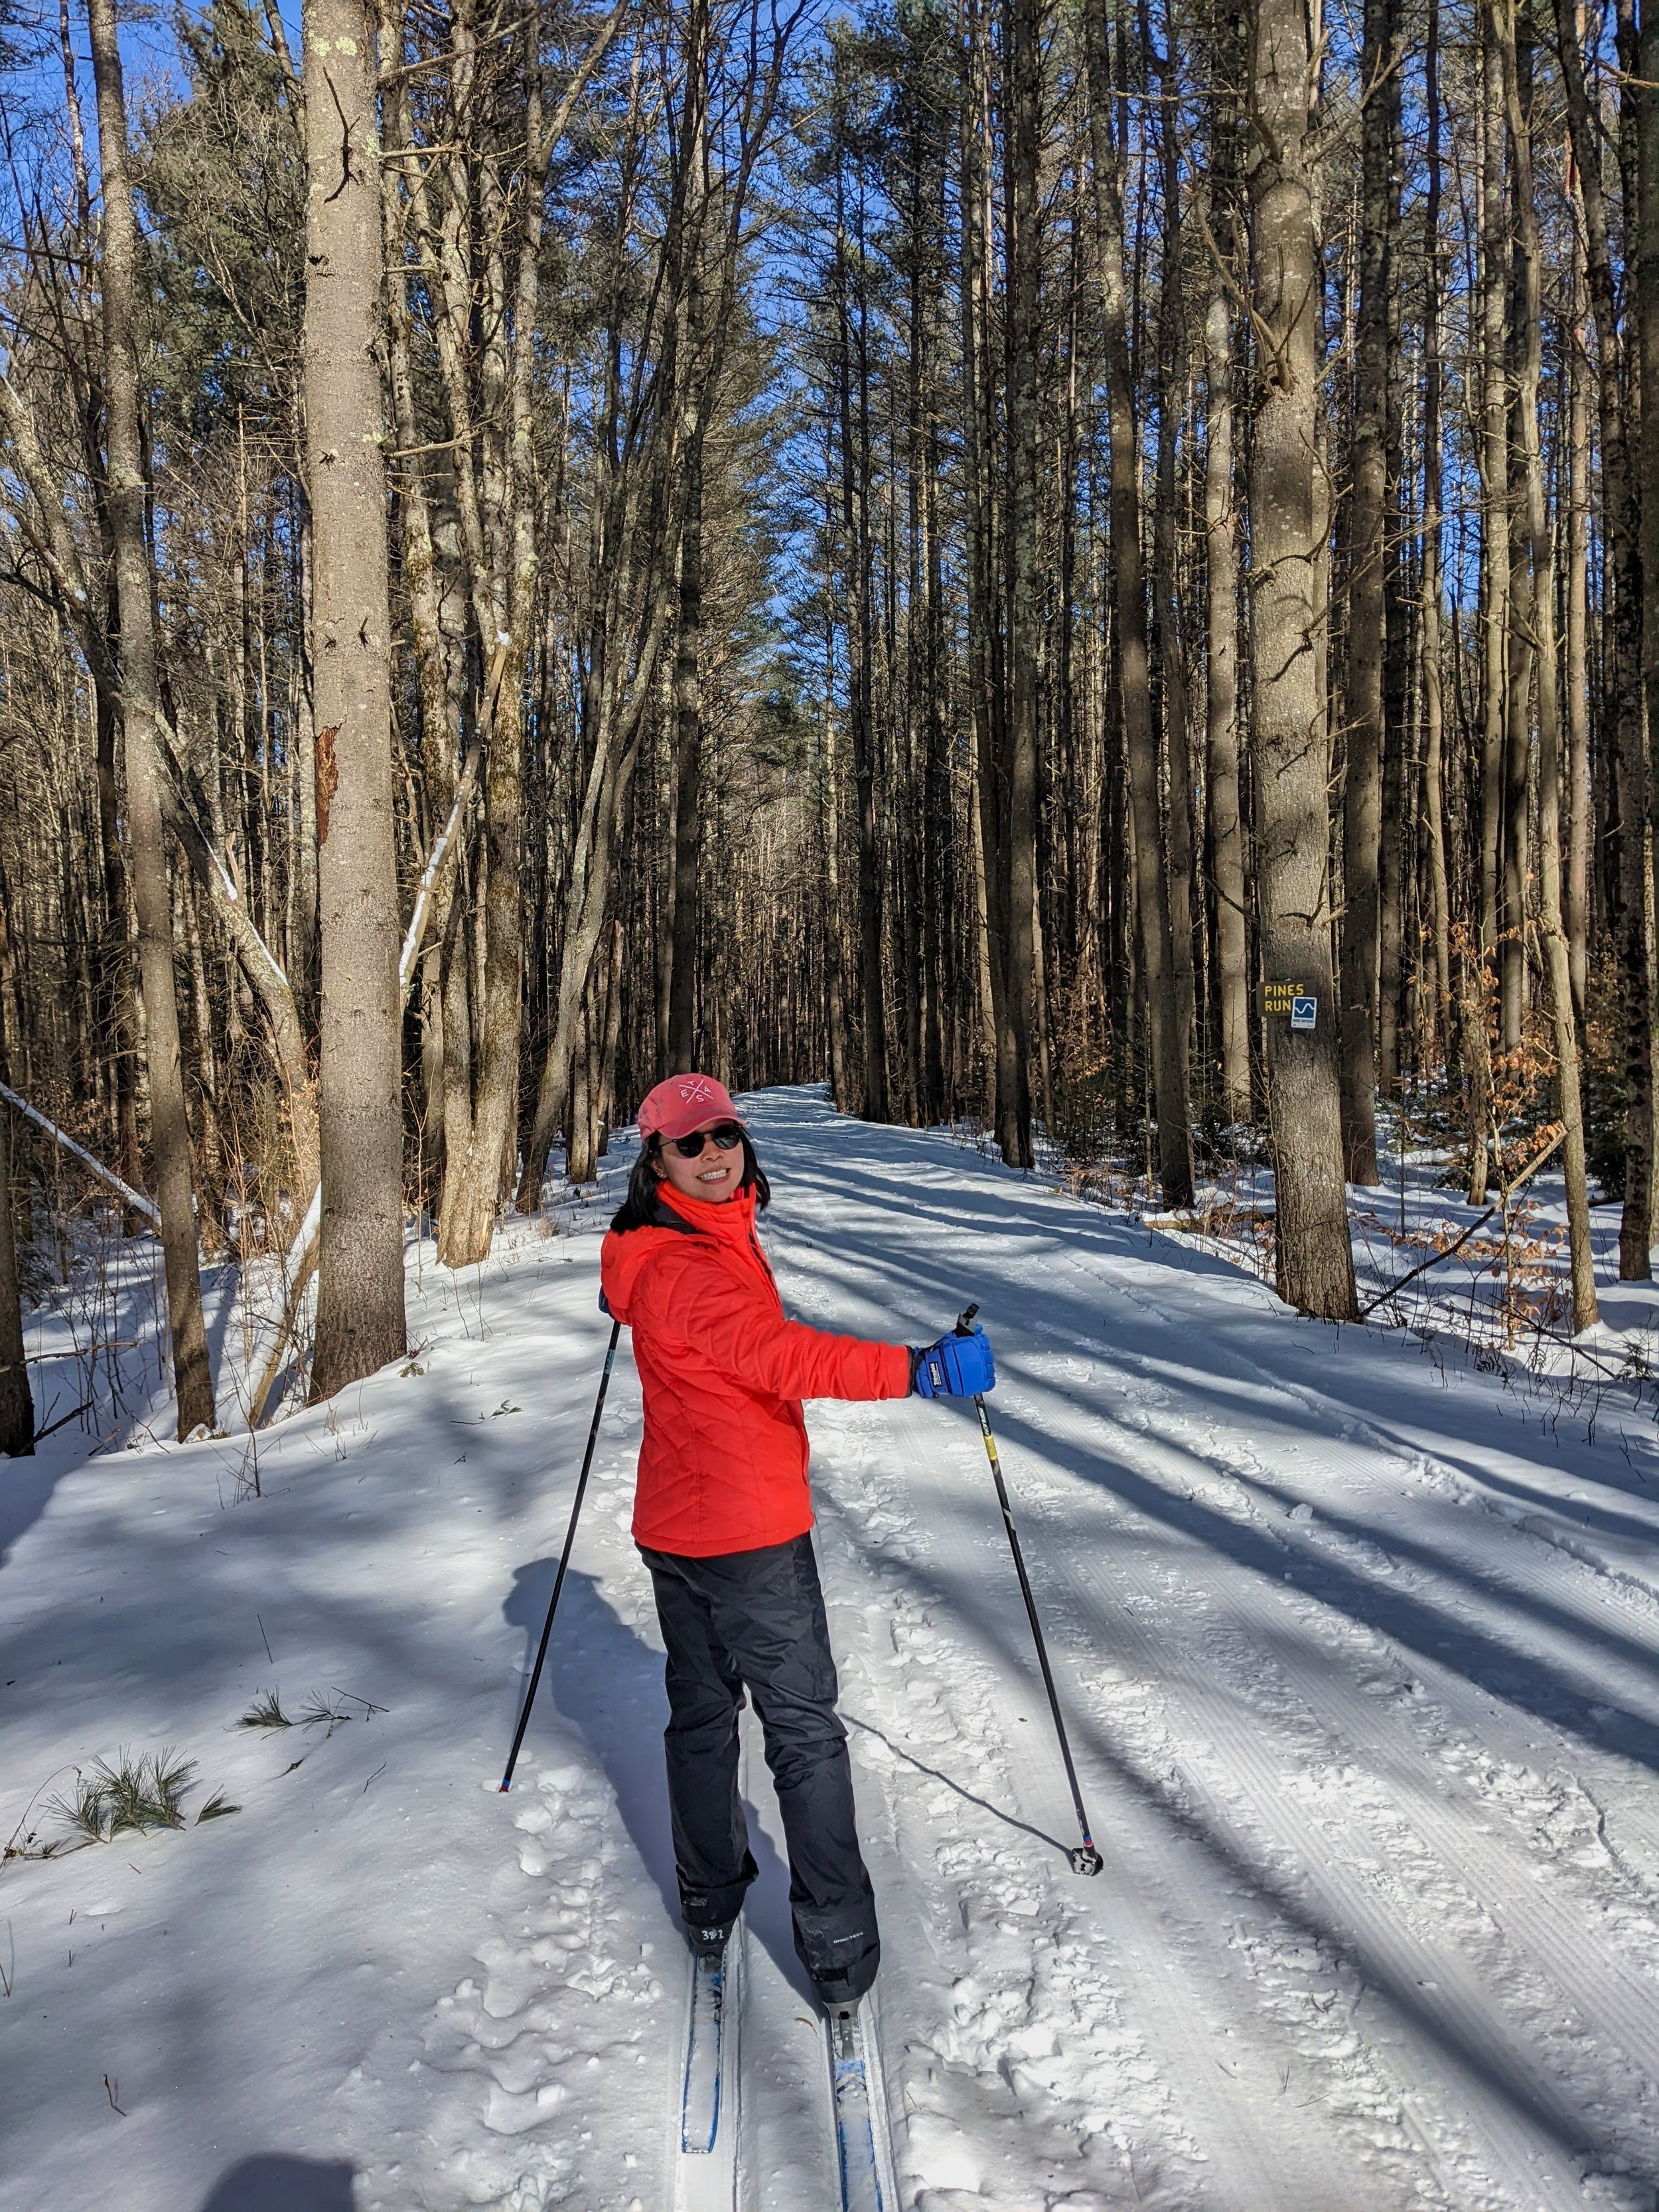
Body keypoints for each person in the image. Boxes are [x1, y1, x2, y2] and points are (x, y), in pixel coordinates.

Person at [599, 1072, 995, 2014]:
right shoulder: (687, 1266)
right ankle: (839, 1947)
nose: (714, 1154)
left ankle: (708, 1897)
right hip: (748, 1532)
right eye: (689, 1144)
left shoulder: (664, 1243)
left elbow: (646, 1303)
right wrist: (920, 1368)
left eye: (724, 1134)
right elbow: (786, 1357)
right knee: (804, 1732)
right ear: (654, 1160)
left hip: (676, 1525)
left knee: (701, 1715)